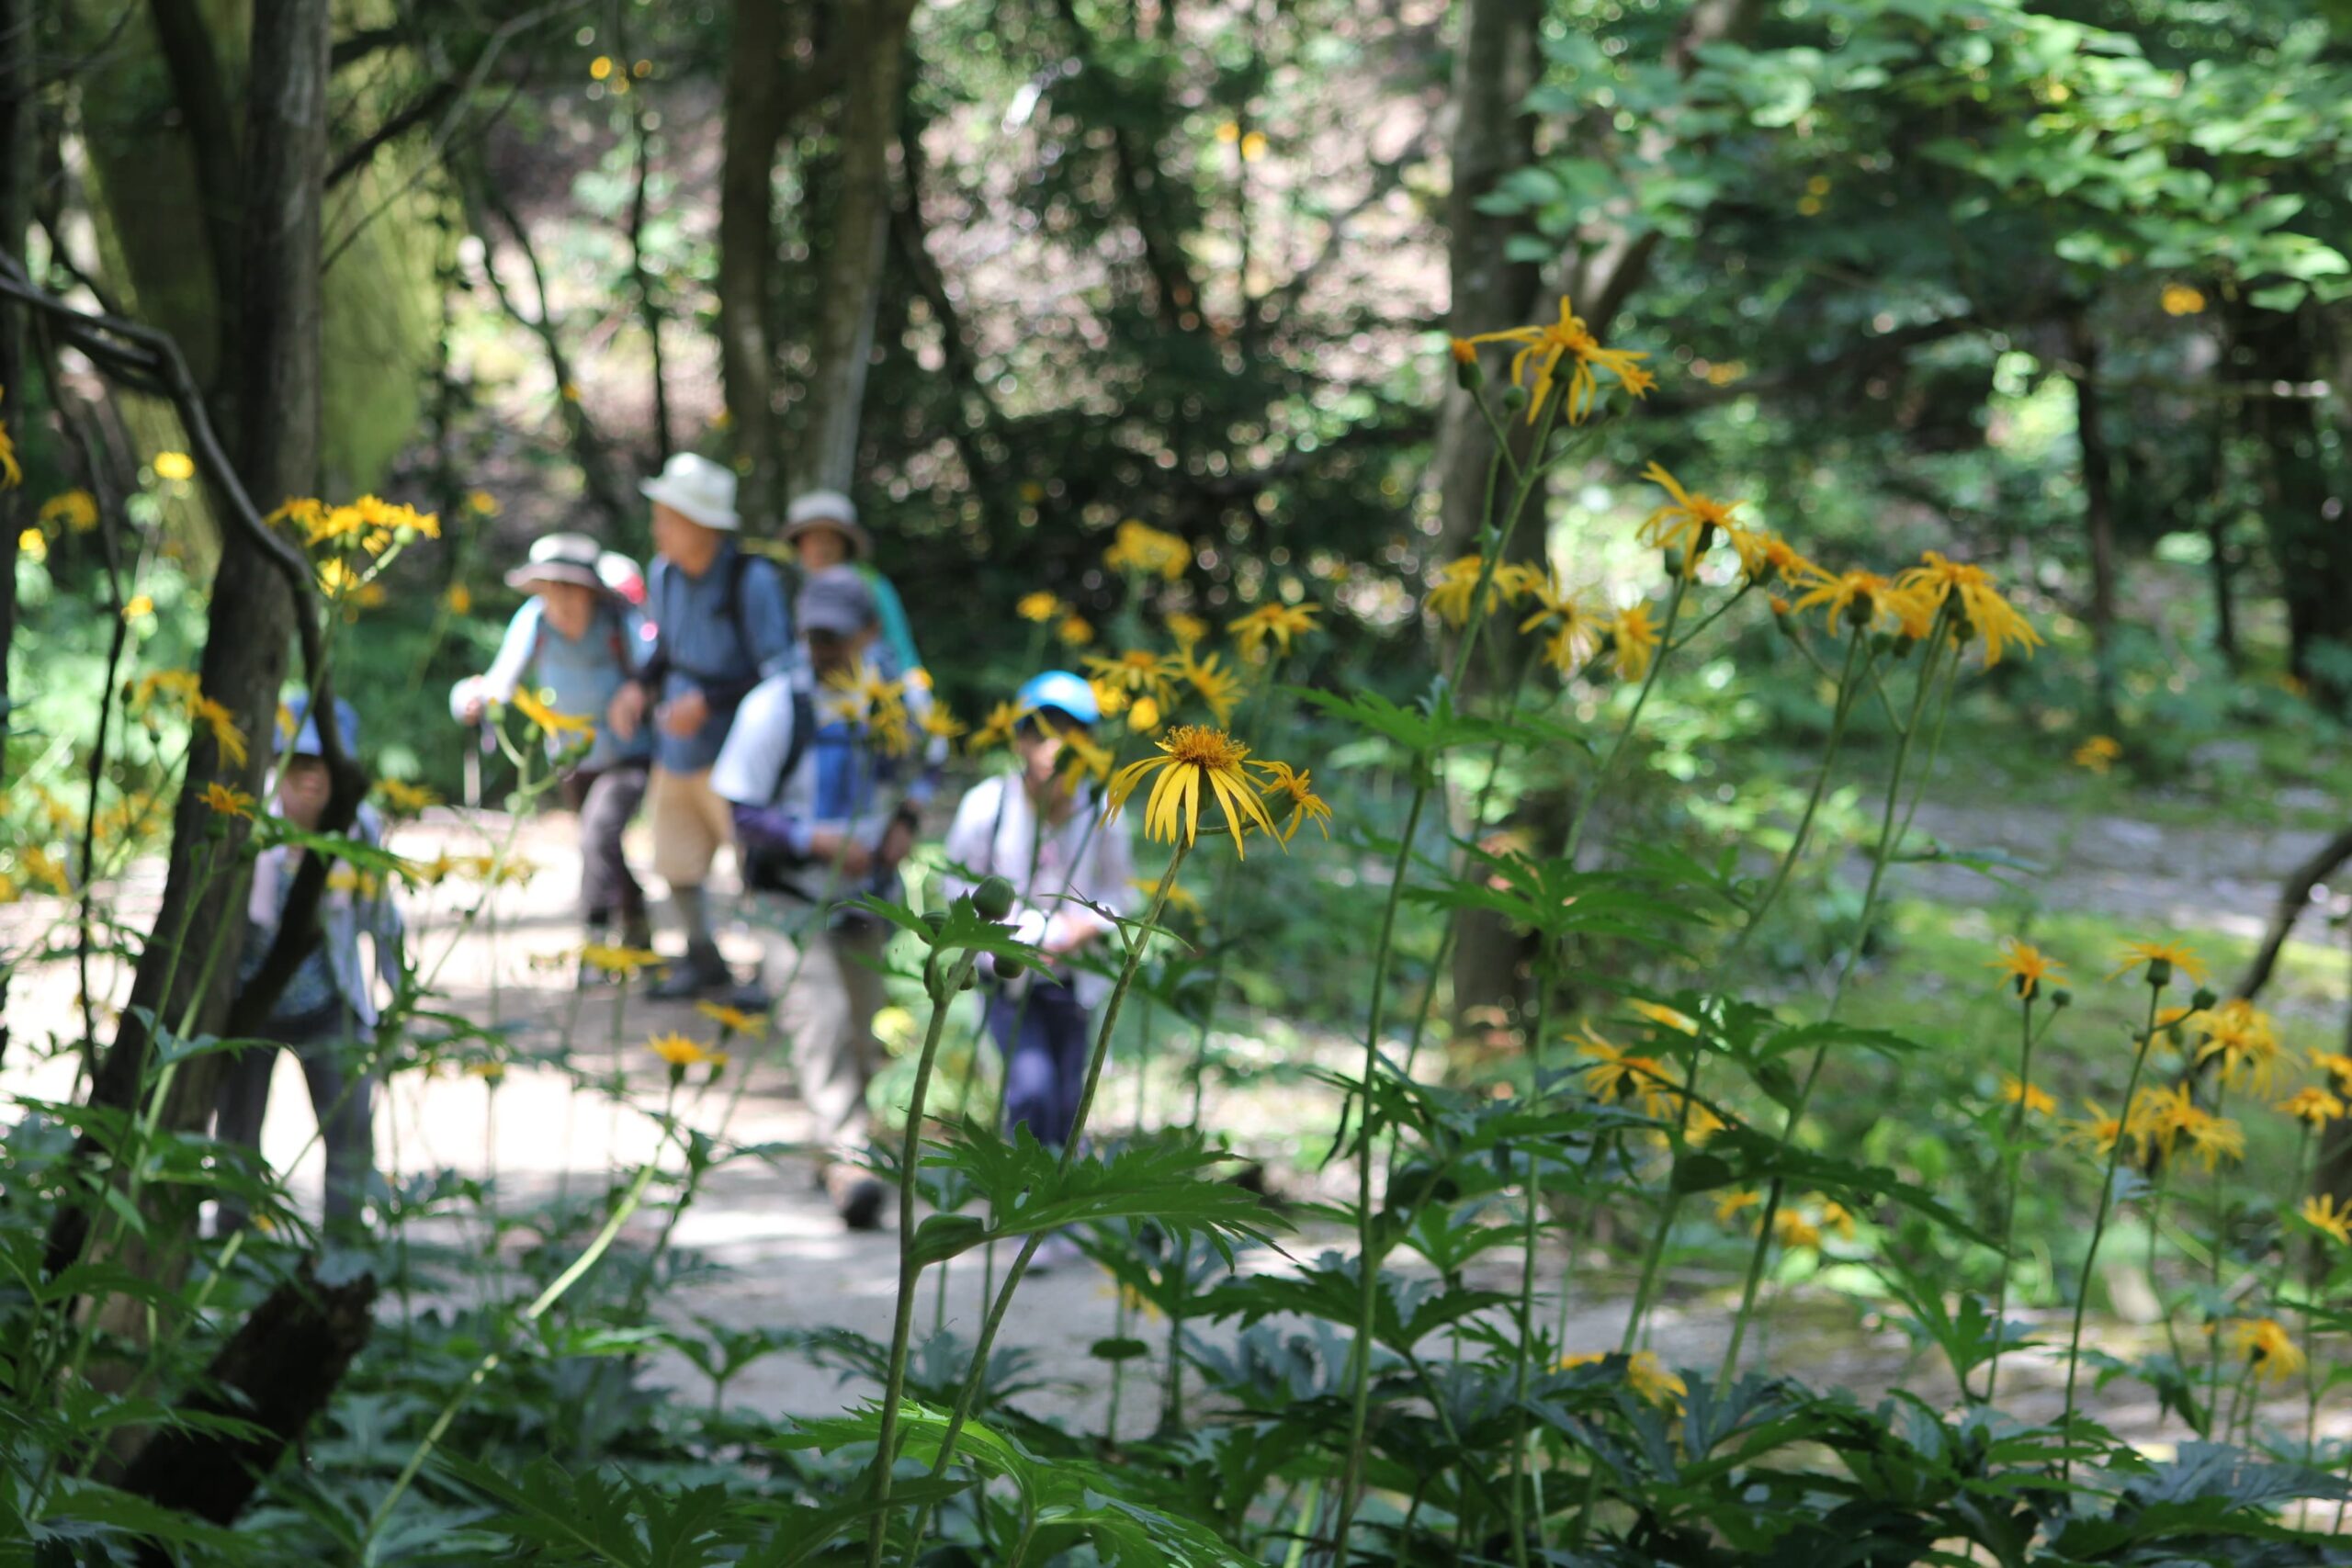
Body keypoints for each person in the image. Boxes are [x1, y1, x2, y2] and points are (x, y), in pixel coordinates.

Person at [710, 567, 936, 1229]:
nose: (824, 648)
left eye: (838, 636)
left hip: (867, 897)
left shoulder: (899, 704)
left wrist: (905, 824)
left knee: (863, 1037)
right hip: (789, 898)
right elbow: (741, 809)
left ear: (869, 632)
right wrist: (813, 838)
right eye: (814, 635)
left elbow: (931, 762)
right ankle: (853, 1168)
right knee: (824, 1023)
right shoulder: (775, 704)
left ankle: (835, 1153)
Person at [607, 453, 797, 998]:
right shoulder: (665, 575)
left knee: (753, 861)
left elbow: (778, 671)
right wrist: (638, 686)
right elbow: (664, 648)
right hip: (678, 745)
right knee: (674, 855)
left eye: (667, 515)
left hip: (739, 752)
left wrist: (709, 703)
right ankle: (701, 956)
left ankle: (768, 972)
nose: (657, 526)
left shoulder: (751, 580)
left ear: (701, 525)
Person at [215, 697, 406, 1232]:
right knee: (237, 1135)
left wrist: (395, 999)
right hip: (250, 1006)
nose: (311, 776)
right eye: (298, 761)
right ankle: (231, 1251)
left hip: (328, 1003)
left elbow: (382, 918)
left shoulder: (358, 830)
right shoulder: (247, 824)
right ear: (276, 763)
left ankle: (343, 1255)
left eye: (323, 764)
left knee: (348, 1132)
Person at [941, 671, 1135, 1159]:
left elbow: (1119, 892)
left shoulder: (1102, 808)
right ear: (1021, 739)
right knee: (1029, 1090)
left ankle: (1059, 1215)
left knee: (1071, 1099)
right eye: (1040, 732)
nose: (1054, 747)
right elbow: (957, 889)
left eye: (1071, 734)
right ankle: (1023, 1196)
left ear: (1087, 743)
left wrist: (1082, 926)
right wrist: (1015, 938)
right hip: (1006, 977)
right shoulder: (987, 805)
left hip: (1074, 978)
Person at [451, 532, 655, 953]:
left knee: (598, 833)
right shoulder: (534, 619)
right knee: (600, 841)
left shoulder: (619, 620)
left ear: (590, 590)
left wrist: (637, 692)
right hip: (571, 757)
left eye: (568, 588)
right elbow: (501, 680)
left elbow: (658, 671)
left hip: (628, 753)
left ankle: (595, 936)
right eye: (549, 587)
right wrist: (467, 700)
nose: (558, 599)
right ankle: (636, 919)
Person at [781, 491, 923, 679]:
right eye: (813, 539)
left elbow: (901, 647)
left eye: (830, 538)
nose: (822, 547)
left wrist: (915, 687)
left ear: (845, 543)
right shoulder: (793, 586)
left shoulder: (871, 583)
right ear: (799, 545)